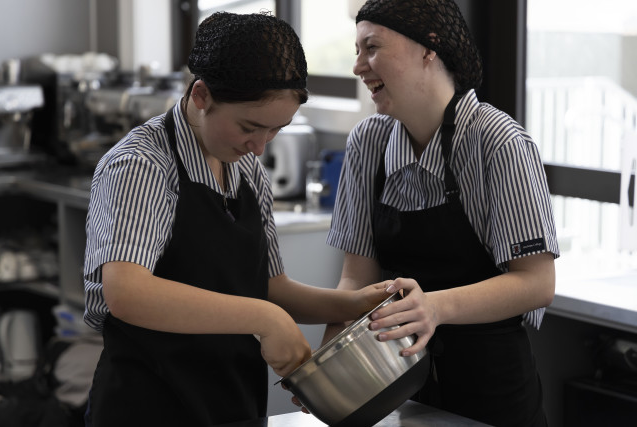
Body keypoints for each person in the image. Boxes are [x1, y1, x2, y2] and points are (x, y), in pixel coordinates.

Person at [81, 11, 388, 427]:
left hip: (234, 404)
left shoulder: (247, 170)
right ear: (202, 95)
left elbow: (270, 286)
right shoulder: (141, 165)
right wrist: (265, 318)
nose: (260, 147)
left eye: (276, 130)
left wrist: (356, 303)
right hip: (148, 406)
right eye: (249, 126)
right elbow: (127, 292)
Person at [322, 1, 560, 426]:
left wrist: (433, 307)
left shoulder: (497, 141)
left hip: (494, 393)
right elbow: (357, 281)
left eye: (371, 47)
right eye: (357, 51)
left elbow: (536, 284)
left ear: (429, 47)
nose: (358, 66)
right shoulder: (367, 142)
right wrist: (329, 369)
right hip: (400, 386)